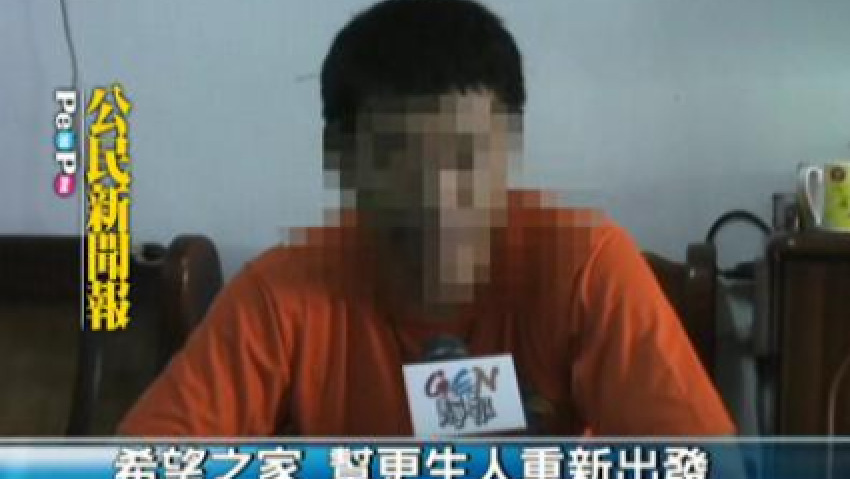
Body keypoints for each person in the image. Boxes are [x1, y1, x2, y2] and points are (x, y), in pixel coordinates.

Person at [118, 0, 735, 436]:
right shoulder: (282, 292)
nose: (439, 199)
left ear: (510, 150)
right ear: (341, 157)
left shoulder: (585, 267)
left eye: (467, 158)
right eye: (398, 157)